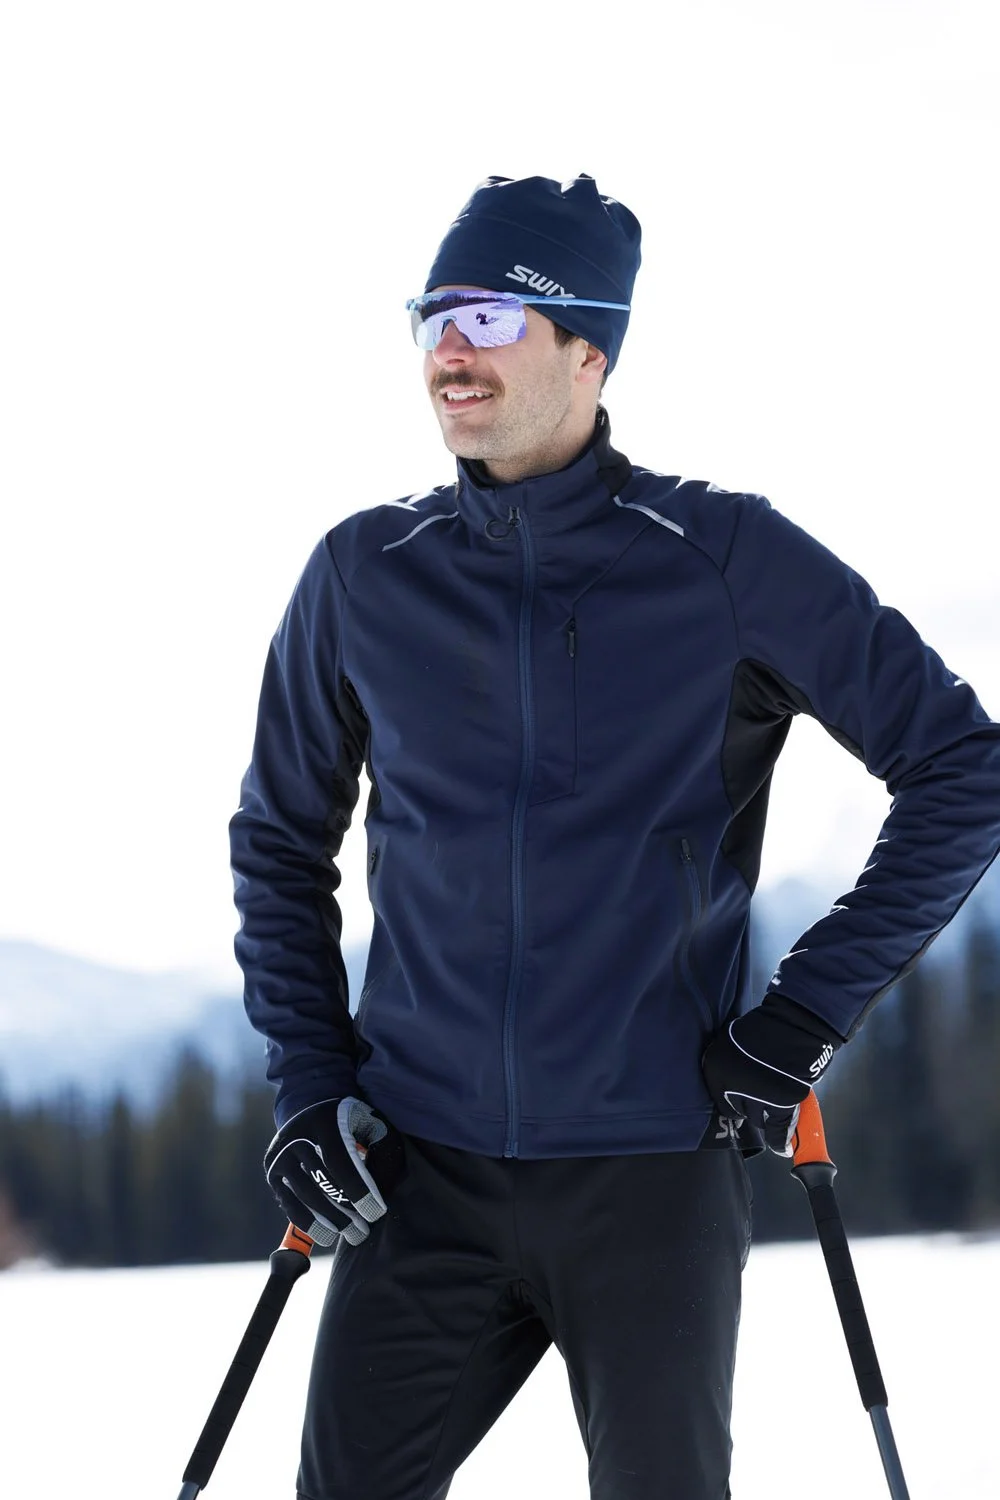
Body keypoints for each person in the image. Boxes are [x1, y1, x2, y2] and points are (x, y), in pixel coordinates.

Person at [229, 173, 1000, 1500]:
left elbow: (963, 767)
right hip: (420, 1170)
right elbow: (278, 841)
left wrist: (804, 1017)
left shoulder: (725, 557)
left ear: (590, 350)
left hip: (652, 1171)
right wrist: (308, 1080)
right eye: (431, 317)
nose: (449, 350)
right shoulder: (365, 573)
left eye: (489, 316)